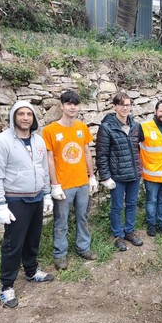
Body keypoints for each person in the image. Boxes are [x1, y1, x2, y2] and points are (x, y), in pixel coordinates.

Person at [0, 100, 54, 308]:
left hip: (36, 197)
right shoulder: (2, 141)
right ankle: (7, 286)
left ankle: (31, 271)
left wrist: (47, 194)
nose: (25, 118)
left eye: (29, 114)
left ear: (33, 118)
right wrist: (0, 204)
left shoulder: (39, 141)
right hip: (15, 200)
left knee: (33, 239)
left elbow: (42, 169)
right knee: (13, 244)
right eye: (21, 114)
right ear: (13, 116)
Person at [42, 91, 98, 271]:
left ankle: (83, 248)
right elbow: (49, 158)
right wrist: (54, 184)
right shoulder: (50, 130)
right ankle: (60, 254)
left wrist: (92, 176)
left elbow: (87, 152)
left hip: (82, 182)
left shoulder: (82, 127)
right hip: (64, 185)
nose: (72, 107)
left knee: (82, 217)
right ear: (62, 106)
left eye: (75, 104)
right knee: (61, 221)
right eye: (68, 104)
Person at [95, 93, 143, 251]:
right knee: (116, 206)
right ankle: (117, 235)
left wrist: (139, 168)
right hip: (117, 175)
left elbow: (138, 147)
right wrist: (105, 177)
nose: (125, 108)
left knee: (131, 204)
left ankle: (129, 231)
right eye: (122, 104)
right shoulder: (107, 127)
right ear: (114, 106)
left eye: (128, 105)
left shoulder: (135, 126)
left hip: (133, 174)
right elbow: (102, 154)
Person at [139, 99, 162, 239]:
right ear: (155, 111)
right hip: (151, 174)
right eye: (161, 111)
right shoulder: (144, 127)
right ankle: (151, 224)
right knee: (151, 201)